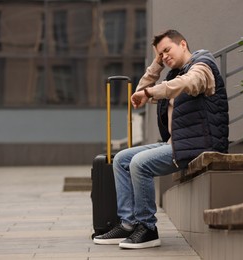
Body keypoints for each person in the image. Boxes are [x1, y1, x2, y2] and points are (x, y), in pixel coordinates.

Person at [93, 29, 229, 249]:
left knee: (140, 163)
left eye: (167, 50)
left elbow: (189, 83)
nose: (165, 56)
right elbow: (141, 93)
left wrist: (151, 93)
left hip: (200, 144)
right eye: (160, 54)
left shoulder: (203, 66)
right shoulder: (173, 74)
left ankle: (148, 228)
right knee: (121, 159)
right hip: (177, 143)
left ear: (183, 44)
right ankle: (129, 224)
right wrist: (156, 66)